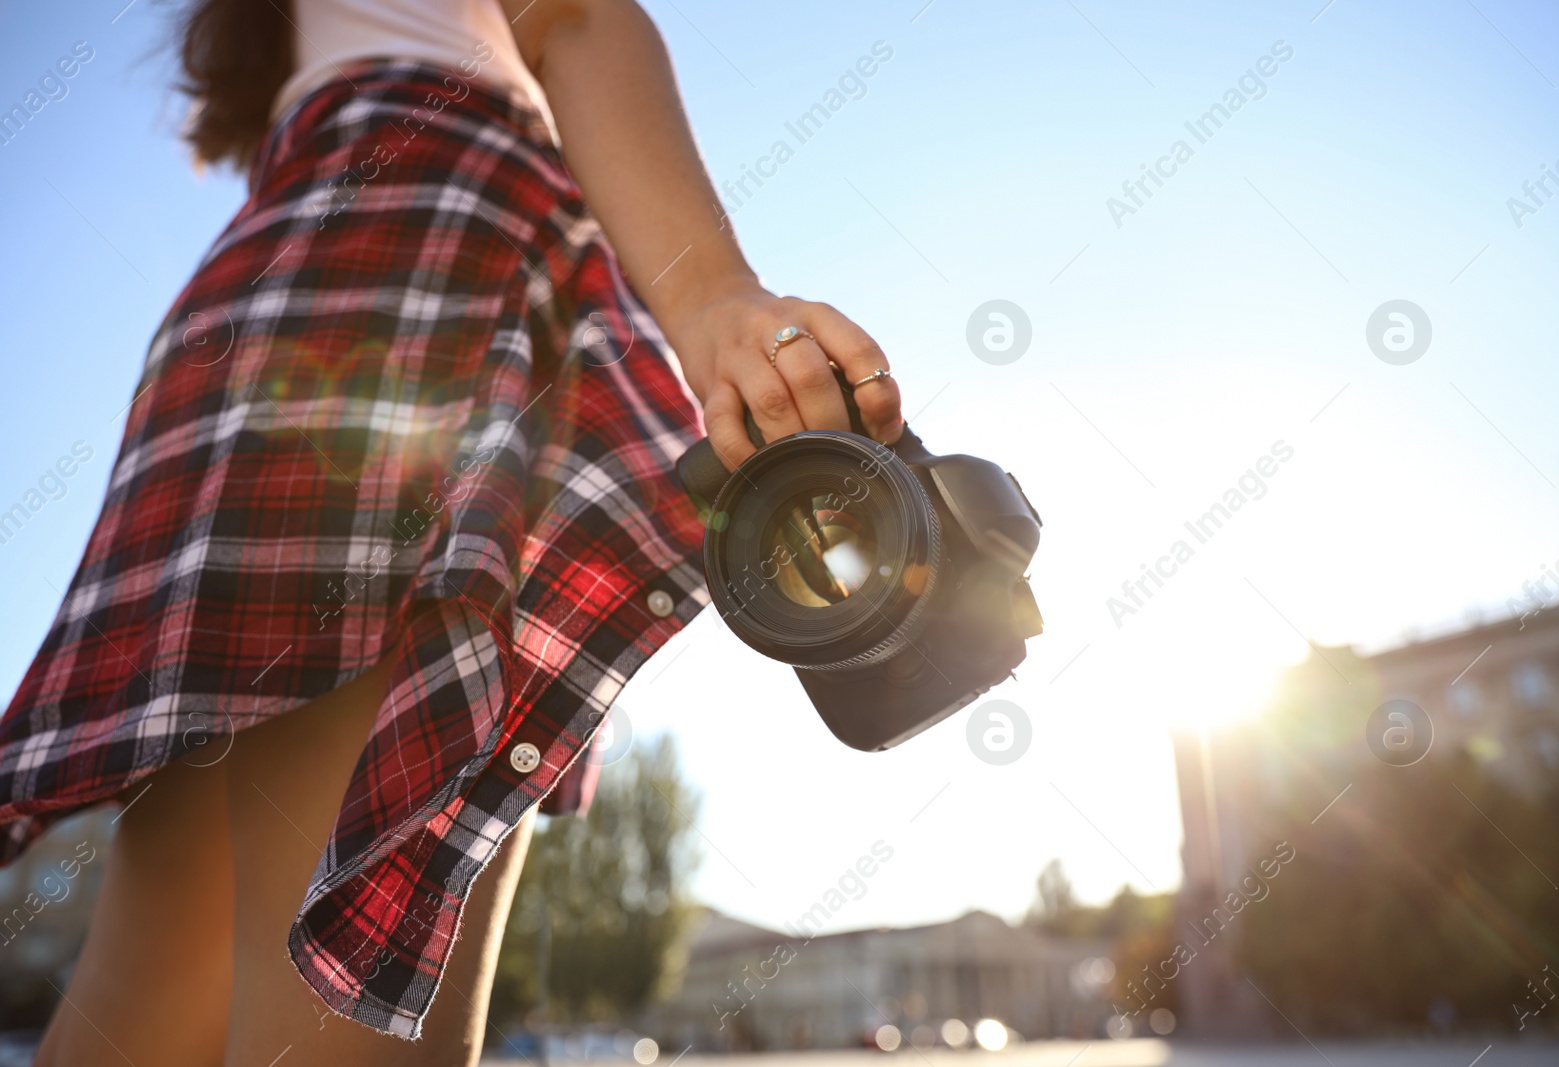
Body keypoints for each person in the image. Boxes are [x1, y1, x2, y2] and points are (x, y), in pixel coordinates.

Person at [0, 1, 903, 1063]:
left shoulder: (289, 49)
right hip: (416, 256)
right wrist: (712, 299)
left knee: (148, 986)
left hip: (251, 320)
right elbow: (569, 18)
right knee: (343, 946)